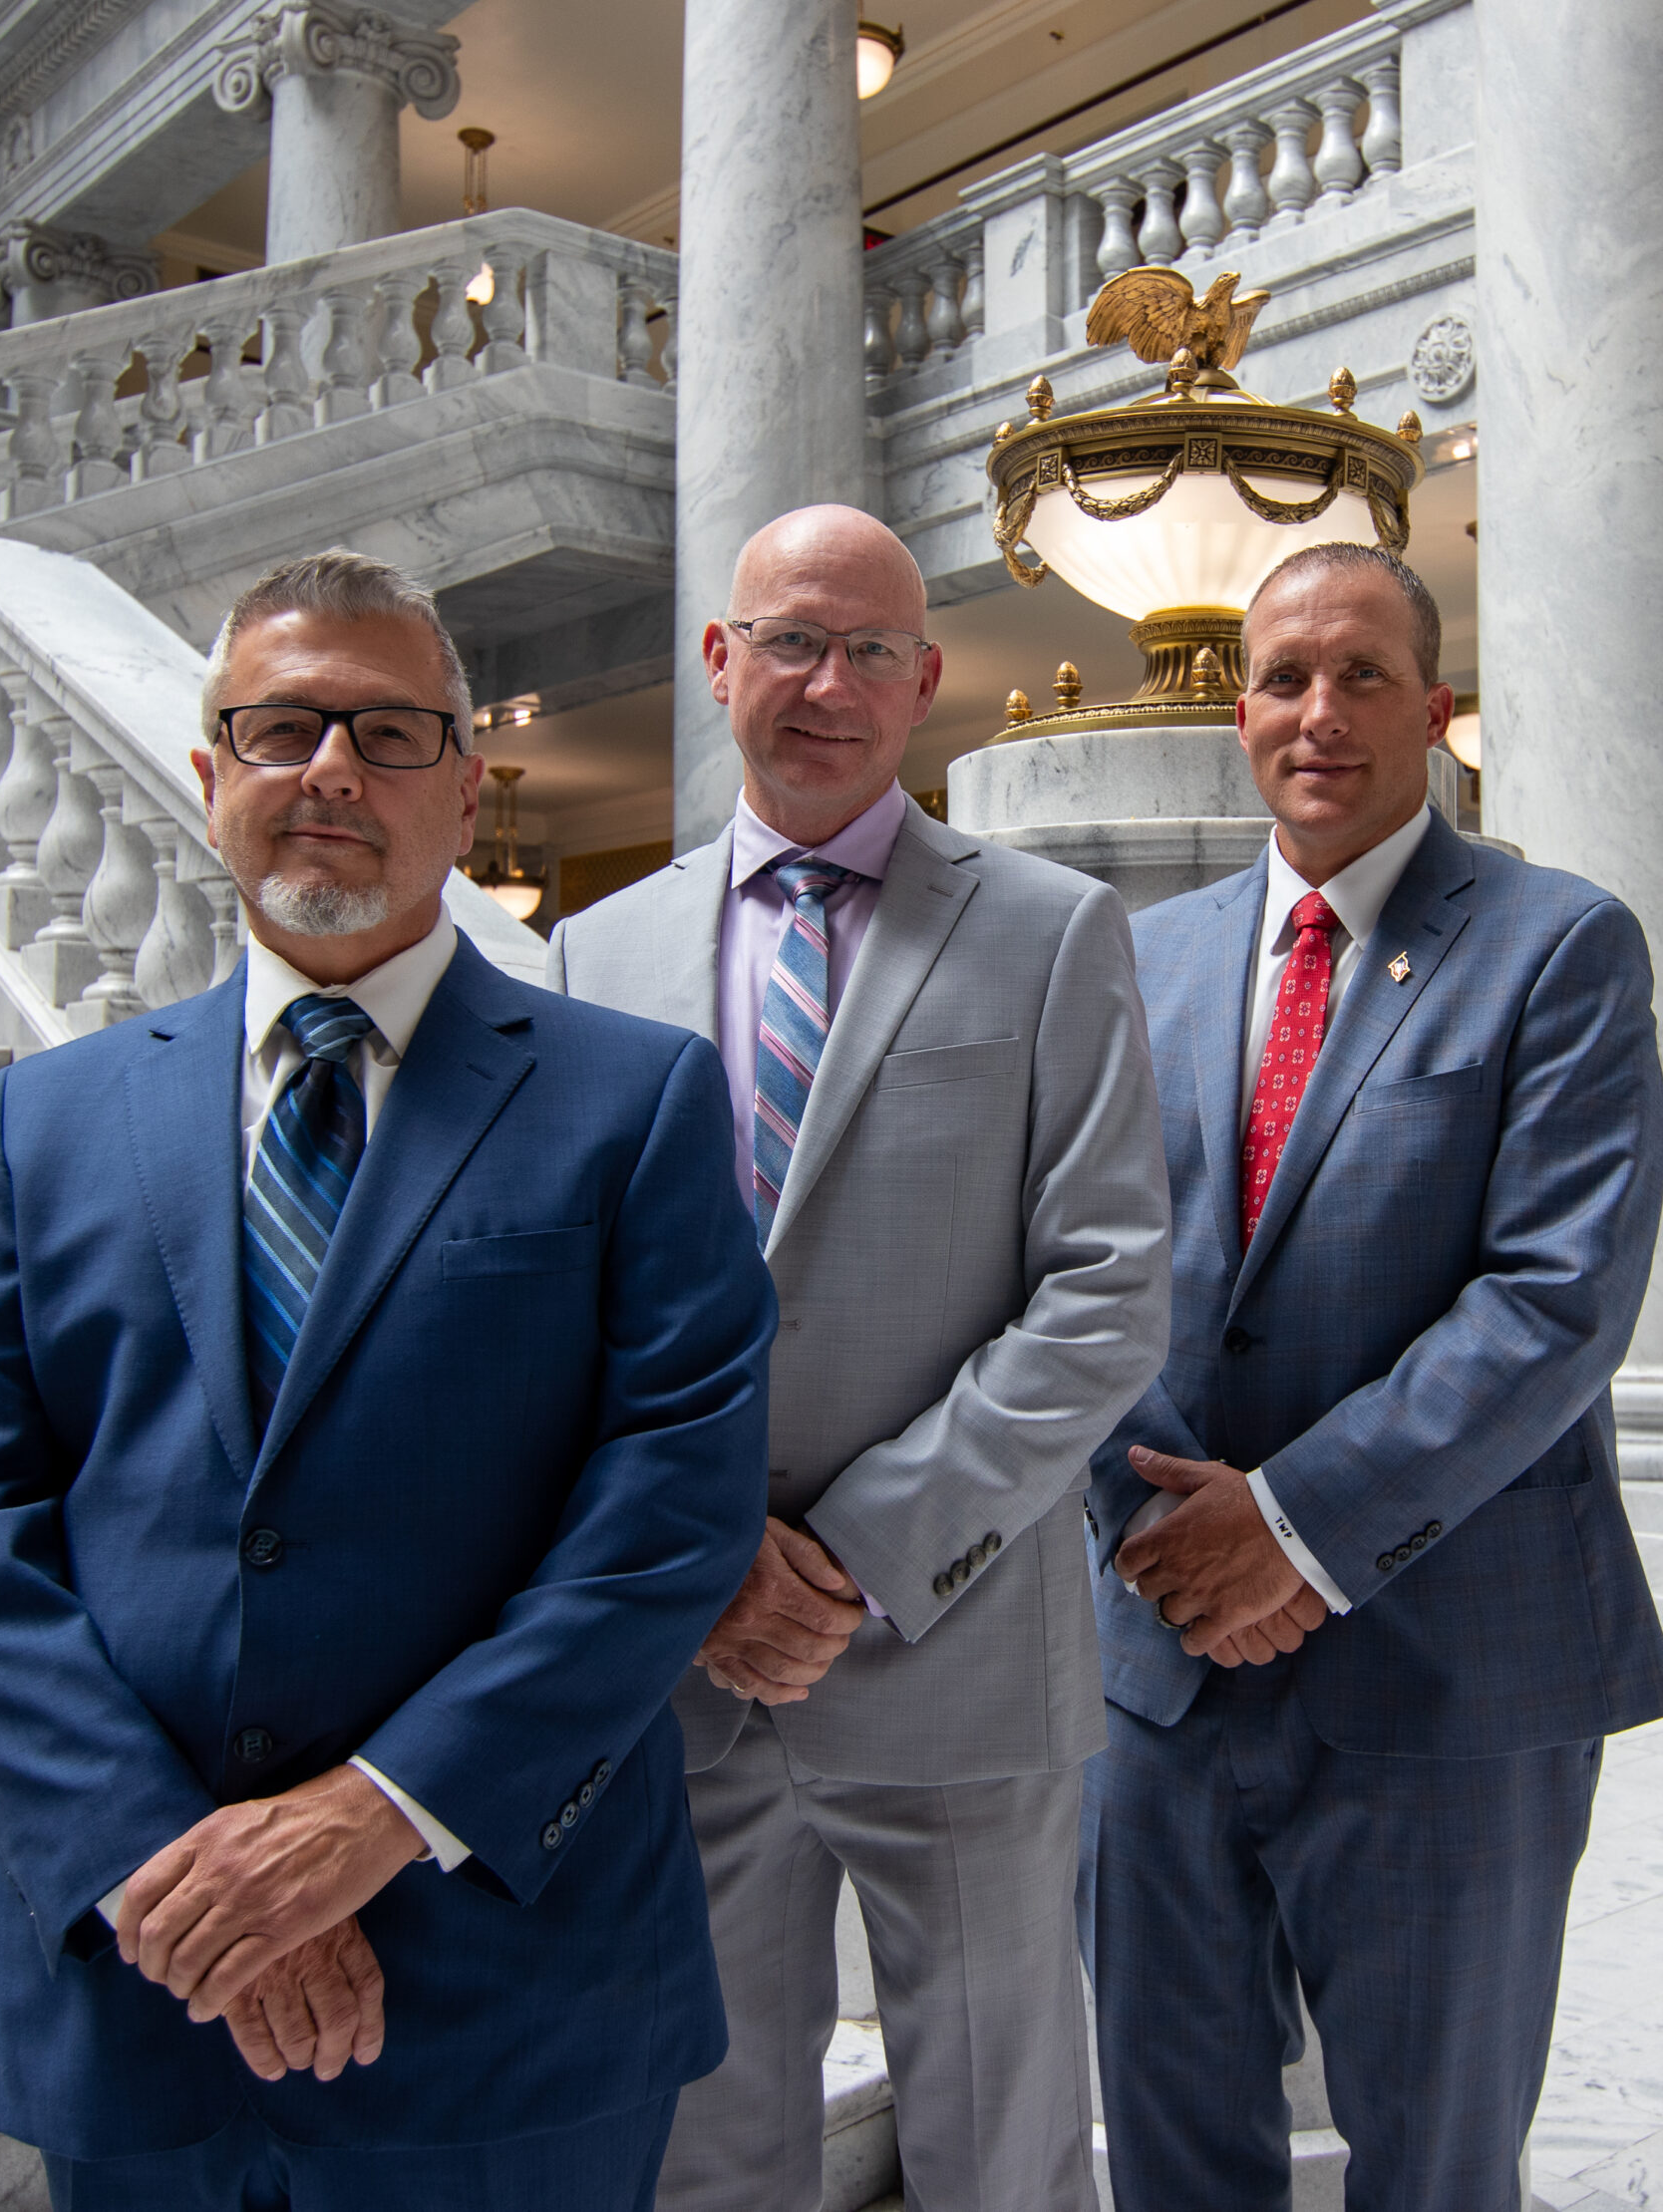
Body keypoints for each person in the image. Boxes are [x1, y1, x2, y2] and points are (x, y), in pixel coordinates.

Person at [0, 550, 777, 2212]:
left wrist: (374, 1816)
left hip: (506, 1986)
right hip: (138, 1974)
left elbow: (669, 1514)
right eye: (282, 727)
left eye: (388, 733)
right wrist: (166, 1866)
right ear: (210, 771)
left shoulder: (638, 1102)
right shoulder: (48, 1120)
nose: (331, 774)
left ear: (466, 787)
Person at [549, 503, 1172, 2212]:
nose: (828, 683)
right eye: (793, 641)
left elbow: (1109, 1291)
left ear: (926, 683)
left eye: (870, 651)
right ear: (719, 661)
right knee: (707, 2139)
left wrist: (855, 1560)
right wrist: (701, 1566)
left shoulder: (1051, 931)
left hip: (958, 1646)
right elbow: (561, 1325)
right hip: (684, 1667)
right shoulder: (592, 960)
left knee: (1003, 2144)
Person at [1083, 540, 1663, 2212]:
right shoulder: (1142, 957)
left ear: (1437, 711)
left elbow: (1555, 1301)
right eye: (1283, 678)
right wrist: (1160, 1537)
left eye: (1361, 677)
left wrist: (1287, 1524)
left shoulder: (1561, 945)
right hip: (1157, 1670)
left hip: (1449, 1677)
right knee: (1172, 2149)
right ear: (1242, 711)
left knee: (1434, 2164)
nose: (1318, 713)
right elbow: (1065, 1276)